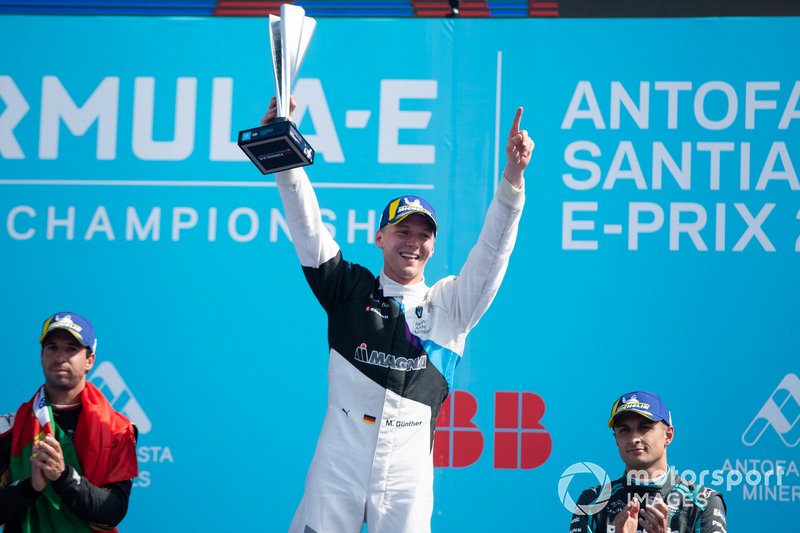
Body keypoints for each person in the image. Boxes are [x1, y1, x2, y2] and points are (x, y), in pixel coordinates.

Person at [262, 97, 533, 533]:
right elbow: (305, 222)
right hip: (340, 460)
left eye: (424, 235)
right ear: (380, 237)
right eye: (403, 231)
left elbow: (493, 253)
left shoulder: (451, 304)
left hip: (407, 472)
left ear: (432, 246)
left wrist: (512, 182)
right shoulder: (349, 288)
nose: (413, 242)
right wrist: (284, 152)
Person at [0, 312, 138, 533]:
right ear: (42, 356)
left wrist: (64, 477)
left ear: (89, 360)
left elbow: (113, 512)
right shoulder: (8, 429)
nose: (60, 357)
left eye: (71, 349)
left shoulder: (118, 429)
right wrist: (30, 487)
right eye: (52, 347)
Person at [570, 391, 727, 533]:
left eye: (644, 427)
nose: (634, 439)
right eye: (624, 430)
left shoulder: (703, 501)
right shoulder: (592, 501)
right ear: (616, 439)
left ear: (668, 435)